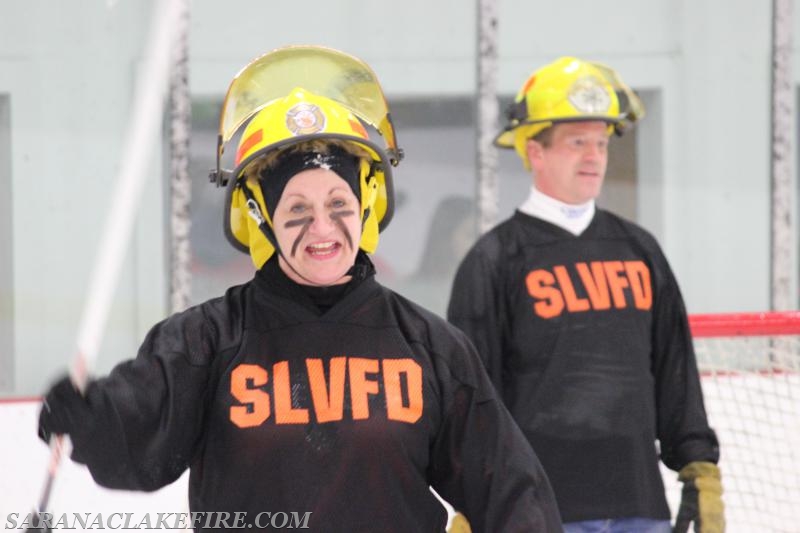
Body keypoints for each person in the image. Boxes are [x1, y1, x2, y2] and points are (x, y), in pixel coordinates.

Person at [36, 46, 562, 533]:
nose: (323, 229)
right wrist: (91, 419)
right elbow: (138, 444)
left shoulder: (430, 348)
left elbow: (510, 490)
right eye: (297, 210)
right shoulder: (205, 343)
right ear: (260, 218)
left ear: (368, 204)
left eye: (338, 204)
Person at [447, 56, 724, 533]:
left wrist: (699, 469)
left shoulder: (640, 250)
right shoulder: (494, 260)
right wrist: (471, 496)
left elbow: (675, 371)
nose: (595, 156)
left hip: (640, 507)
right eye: (577, 143)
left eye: (600, 143)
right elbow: (471, 394)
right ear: (535, 151)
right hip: (535, 511)